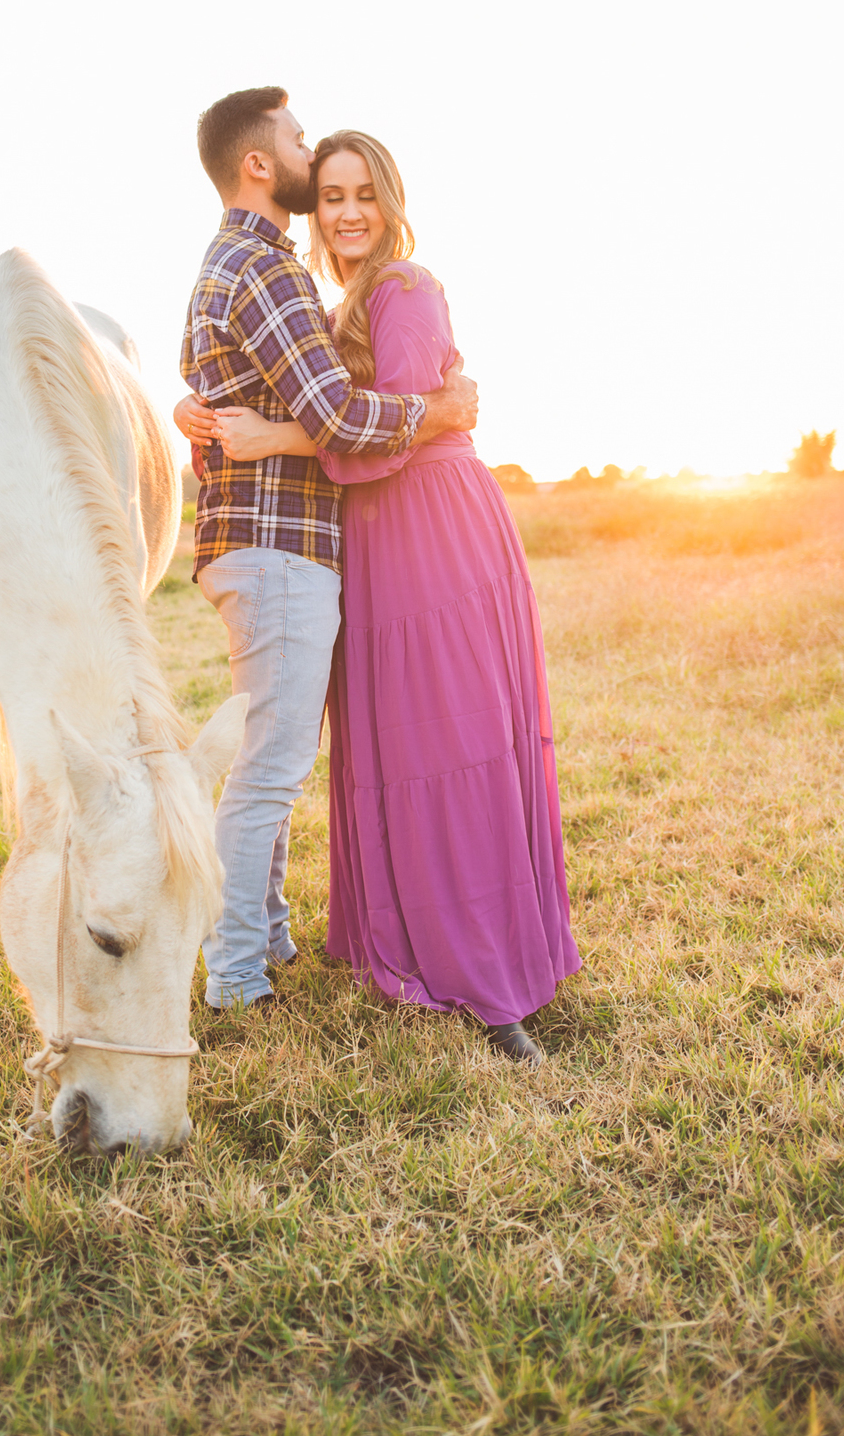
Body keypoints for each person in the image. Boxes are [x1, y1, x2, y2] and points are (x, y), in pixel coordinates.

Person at [206, 130, 580, 1063]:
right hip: (374, 536)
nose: (346, 212)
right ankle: (409, 940)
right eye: (330, 195)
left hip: (430, 527)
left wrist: (277, 439)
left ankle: (489, 980)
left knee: (452, 745)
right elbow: (346, 414)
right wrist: (204, 414)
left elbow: (386, 433)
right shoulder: (343, 304)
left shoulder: (405, 289)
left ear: (391, 196)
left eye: (363, 192)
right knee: (397, 750)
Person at [178, 90, 478, 1014]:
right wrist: (436, 412)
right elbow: (340, 415)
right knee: (270, 768)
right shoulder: (266, 270)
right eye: (302, 142)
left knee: (274, 754)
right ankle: (232, 973)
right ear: (261, 163)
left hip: (264, 546)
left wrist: (208, 420)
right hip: (275, 548)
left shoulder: (234, 264)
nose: (311, 155)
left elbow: (216, 401)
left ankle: (264, 931)